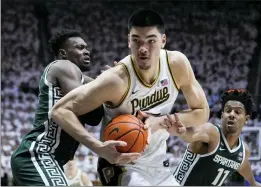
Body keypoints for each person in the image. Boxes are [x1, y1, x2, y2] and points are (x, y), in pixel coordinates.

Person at [51, 9, 209, 186]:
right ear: (128, 41)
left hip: (158, 165)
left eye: (151, 40)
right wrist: (98, 147)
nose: (143, 48)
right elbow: (60, 110)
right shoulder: (115, 80)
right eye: (136, 40)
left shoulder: (176, 65)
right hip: (121, 165)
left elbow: (202, 111)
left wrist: (164, 120)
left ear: (163, 41)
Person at [10, 29, 106, 186]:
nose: (87, 52)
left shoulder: (82, 79)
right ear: (63, 53)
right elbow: (88, 112)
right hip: (37, 155)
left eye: (86, 47)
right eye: (80, 48)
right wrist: (104, 91)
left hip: (48, 159)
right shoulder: (63, 65)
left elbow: (95, 117)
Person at [172, 89, 261, 186]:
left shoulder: (243, 151)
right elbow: (192, 134)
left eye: (237, 112)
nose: (232, 114)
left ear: (246, 119)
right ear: (222, 115)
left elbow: (243, 166)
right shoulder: (211, 132)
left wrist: (253, 183)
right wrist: (183, 131)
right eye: (228, 111)